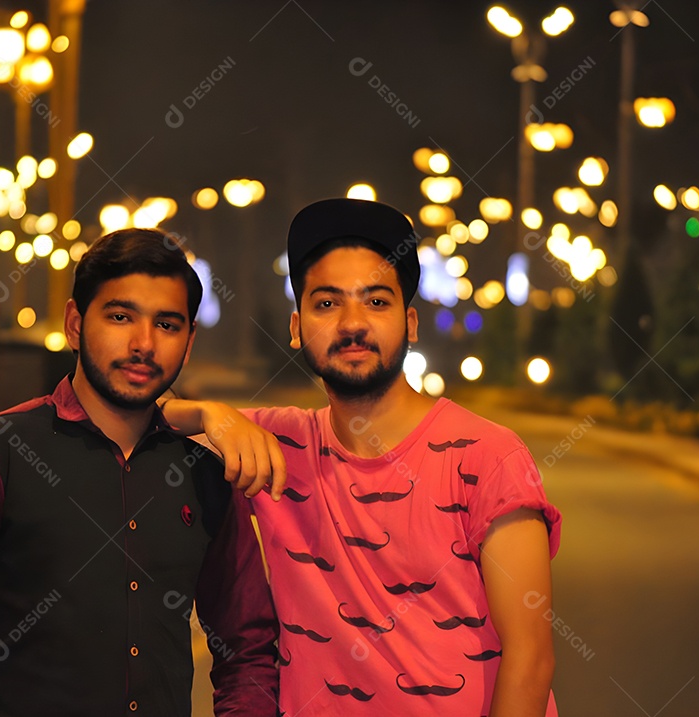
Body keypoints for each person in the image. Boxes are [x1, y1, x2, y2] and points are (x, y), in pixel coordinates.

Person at [163, 198, 562, 716]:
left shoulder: (489, 456)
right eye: (327, 304)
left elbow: (530, 660)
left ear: (410, 322)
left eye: (376, 301)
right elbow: (132, 417)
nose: (353, 323)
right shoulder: (276, 444)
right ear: (296, 326)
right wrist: (207, 414)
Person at [0, 229, 282, 717]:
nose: (143, 344)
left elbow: (248, 649)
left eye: (167, 324)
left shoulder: (206, 478)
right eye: (120, 316)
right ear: (75, 324)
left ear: (189, 340)